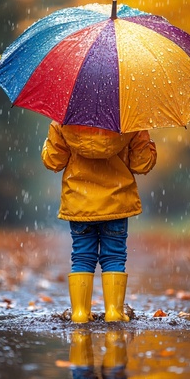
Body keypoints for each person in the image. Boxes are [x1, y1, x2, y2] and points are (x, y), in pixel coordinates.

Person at [41, 121, 157, 323]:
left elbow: (53, 162)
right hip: (116, 203)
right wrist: (148, 144)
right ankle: (113, 312)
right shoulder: (129, 119)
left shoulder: (64, 120)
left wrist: (49, 144)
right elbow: (142, 164)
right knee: (114, 256)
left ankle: (79, 313)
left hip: (79, 203)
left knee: (82, 256)